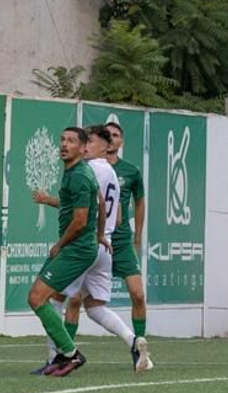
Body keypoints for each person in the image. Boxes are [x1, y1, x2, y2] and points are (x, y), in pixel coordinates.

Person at [59, 125, 152, 373]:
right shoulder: (111, 171)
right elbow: (119, 216)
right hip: (105, 244)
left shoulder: (88, 170)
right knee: (94, 306)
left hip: (87, 242)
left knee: (54, 296)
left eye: (88, 141)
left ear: (104, 145)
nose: (84, 145)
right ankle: (134, 342)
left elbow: (88, 206)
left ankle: (57, 357)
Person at [26, 127, 100, 378]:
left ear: (83, 148)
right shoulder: (74, 173)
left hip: (76, 248)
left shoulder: (79, 175)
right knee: (48, 298)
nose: (63, 145)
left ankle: (70, 352)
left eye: (70, 141)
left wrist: (60, 244)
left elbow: (80, 220)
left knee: (37, 298)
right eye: (62, 140)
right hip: (80, 246)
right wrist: (49, 200)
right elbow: (93, 203)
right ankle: (62, 353)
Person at [105, 121, 150, 352]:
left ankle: (139, 345)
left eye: (115, 135)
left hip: (122, 242)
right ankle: (65, 352)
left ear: (121, 141)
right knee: (76, 299)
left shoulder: (131, 171)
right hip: (97, 241)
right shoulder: (90, 167)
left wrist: (138, 235)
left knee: (138, 294)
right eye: (107, 135)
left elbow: (140, 201)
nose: (111, 139)